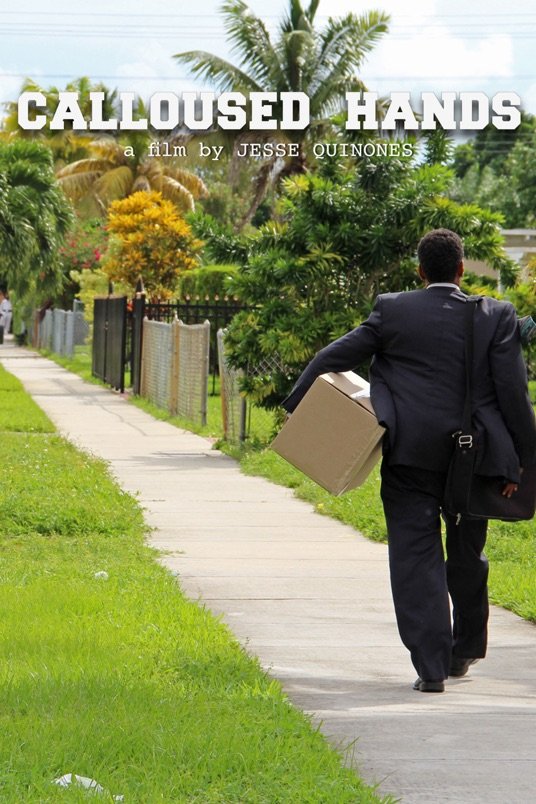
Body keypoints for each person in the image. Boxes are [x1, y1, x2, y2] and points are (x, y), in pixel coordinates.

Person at [282, 229, 536, 693]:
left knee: (415, 557)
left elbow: (331, 357)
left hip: (410, 457)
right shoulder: (496, 315)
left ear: (420, 271)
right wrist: (523, 459)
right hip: (473, 458)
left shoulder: (393, 310)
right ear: (461, 270)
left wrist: (297, 411)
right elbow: (513, 394)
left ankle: (432, 668)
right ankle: (464, 650)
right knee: (467, 554)